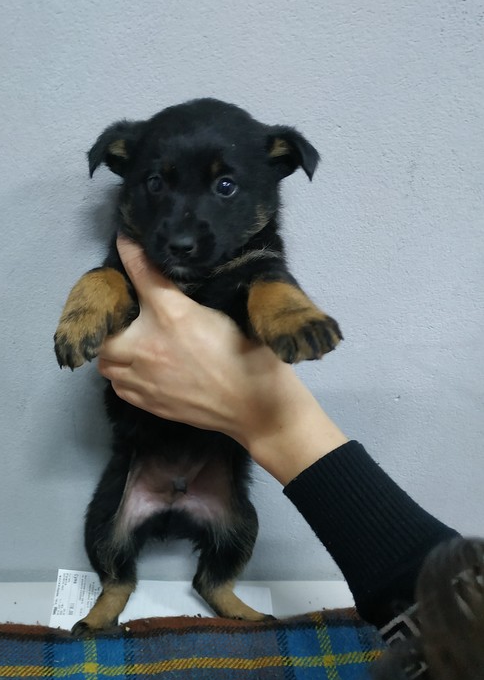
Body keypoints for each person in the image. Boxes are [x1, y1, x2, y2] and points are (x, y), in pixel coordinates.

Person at [97, 236, 459, 634]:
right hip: (145, 454)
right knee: (107, 523)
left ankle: (218, 585)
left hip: (217, 461)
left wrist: (280, 317)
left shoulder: (253, 259)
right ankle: (116, 586)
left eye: (226, 195)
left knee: (238, 527)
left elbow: (263, 272)